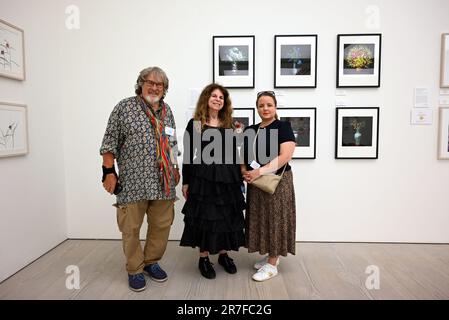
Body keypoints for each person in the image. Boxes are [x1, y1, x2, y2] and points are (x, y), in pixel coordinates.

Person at [100, 67, 180, 292]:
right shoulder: (124, 107)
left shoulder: (167, 111)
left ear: (164, 89)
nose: (154, 87)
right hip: (133, 181)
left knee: (162, 225)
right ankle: (135, 268)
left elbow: (172, 142)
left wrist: (174, 166)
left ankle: (151, 262)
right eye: (150, 82)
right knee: (131, 228)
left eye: (159, 84)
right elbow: (109, 142)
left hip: (163, 182)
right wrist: (108, 172)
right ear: (140, 83)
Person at [180, 83, 245, 279]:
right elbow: (189, 156)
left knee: (225, 216)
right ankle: (204, 258)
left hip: (228, 178)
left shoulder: (231, 124)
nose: (218, 99)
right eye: (214, 96)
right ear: (206, 99)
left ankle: (224, 255)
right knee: (206, 217)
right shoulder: (196, 124)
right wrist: (186, 181)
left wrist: (242, 174)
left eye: (221, 97)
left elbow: (238, 152)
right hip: (204, 178)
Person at [242, 90, 296, 282]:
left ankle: (272, 264)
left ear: (275, 107)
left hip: (277, 182)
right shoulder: (251, 129)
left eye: (269, 105)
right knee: (262, 218)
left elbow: (285, 156)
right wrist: (245, 172)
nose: (265, 108)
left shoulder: (283, 126)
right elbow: (244, 155)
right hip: (256, 183)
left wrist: (258, 171)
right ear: (257, 108)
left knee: (275, 219)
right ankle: (270, 255)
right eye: (261, 105)